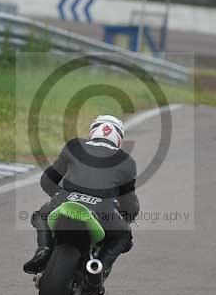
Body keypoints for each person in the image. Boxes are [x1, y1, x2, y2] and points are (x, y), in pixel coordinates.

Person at [23, 114, 139, 276]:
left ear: (93, 132)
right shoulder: (126, 161)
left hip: (66, 200)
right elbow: (130, 204)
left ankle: (43, 249)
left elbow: (47, 181)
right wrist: (128, 216)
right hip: (103, 211)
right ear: (118, 139)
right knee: (124, 236)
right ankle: (99, 268)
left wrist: (59, 195)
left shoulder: (74, 146)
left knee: (40, 216)